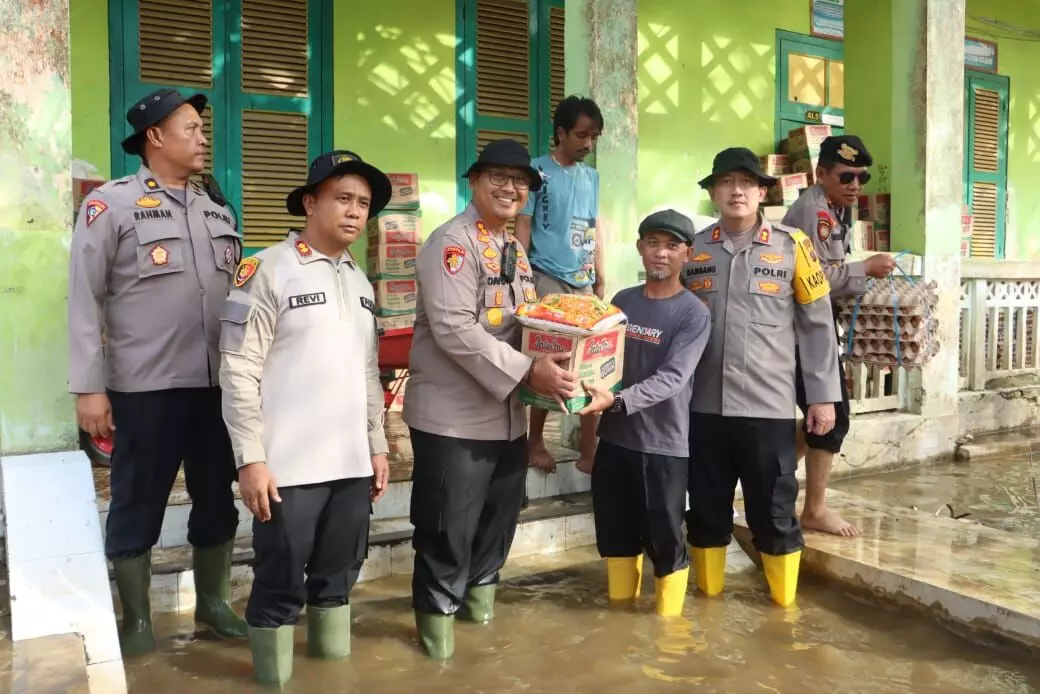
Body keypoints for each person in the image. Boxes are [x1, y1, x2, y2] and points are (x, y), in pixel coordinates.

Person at [67, 88, 247, 656]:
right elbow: (82, 300)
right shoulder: (111, 206)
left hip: (216, 387)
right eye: (190, 127)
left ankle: (215, 605)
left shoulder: (217, 207)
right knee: (136, 499)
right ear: (155, 137)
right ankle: (138, 621)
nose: (202, 137)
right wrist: (89, 387)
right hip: (145, 387)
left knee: (217, 497)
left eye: (201, 127)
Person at [218, 150, 392, 685]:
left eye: (363, 203)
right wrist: (251, 459)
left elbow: (367, 372)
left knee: (339, 581)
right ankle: (273, 681)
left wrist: (377, 445)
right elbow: (237, 369)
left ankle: (328, 678)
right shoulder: (267, 269)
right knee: (277, 584)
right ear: (310, 202)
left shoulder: (360, 282)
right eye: (343, 198)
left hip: (349, 466)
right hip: (287, 470)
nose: (355, 212)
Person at [404, 138, 579, 659]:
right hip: (453, 424)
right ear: (474, 182)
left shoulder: (513, 249)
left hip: (506, 420)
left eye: (521, 182)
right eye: (498, 178)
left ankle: (478, 638)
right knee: (446, 534)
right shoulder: (451, 244)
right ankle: (437, 651)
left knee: (495, 529)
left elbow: (525, 326)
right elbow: (455, 329)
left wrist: (573, 354)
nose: (511, 188)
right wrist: (530, 369)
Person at [683, 147, 841, 608]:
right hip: (703, 408)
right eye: (727, 182)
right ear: (713, 192)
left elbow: (817, 325)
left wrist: (822, 397)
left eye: (747, 183)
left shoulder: (794, 246)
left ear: (762, 192)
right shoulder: (692, 249)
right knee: (706, 511)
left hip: (767, 410)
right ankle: (708, 602)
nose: (737, 191)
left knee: (773, 512)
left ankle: (783, 611)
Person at [579, 209, 711, 617]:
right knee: (616, 537)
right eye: (653, 243)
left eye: (672, 245)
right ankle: (621, 623)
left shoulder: (693, 313)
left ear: (687, 254)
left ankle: (669, 634)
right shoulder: (623, 301)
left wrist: (616, 402)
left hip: (664, 447)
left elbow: (674, 377)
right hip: (616, 442)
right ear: (640, 248)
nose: (661, 253)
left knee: (666, 541)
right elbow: (602, 363)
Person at [782, 135, 897, 538]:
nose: (855, 185)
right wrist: (865, 268)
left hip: (814, 327)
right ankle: (813, 509)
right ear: (822, 174)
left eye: (861, 177)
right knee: (831, 416)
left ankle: (774, 477)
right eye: (846, 175)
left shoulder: (831, 208)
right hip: (802, 329)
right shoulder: (814, 213)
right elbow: (817, 280)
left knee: (823, 417)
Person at [516, 95, 605, 475]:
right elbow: (523, 225)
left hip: (582, 282)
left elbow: (594, 225)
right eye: (582, 135)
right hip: (546, 275)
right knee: (550, 361)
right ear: (560, 133)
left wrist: (602, 275)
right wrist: (522, 277)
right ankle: (534, 439)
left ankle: (589, 450)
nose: (588, 144)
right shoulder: (536, 171)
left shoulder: (592, 177)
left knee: (592, 364)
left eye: (594, 137)